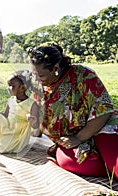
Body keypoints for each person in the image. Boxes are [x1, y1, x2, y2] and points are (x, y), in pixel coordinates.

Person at [28, 44, 118, 179]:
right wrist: (36, 124)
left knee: (114, 161)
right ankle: (108, 167)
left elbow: (104, 109)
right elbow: (40, 129)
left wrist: (79, 138)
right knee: (67, 161)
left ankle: (111, 166)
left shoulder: (83, 74)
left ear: (55, 68)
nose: (36, 80)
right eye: (33, 74)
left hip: (102, 127)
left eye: (40, 75)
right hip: (74, 140)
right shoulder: (39, 89)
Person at [0, 70, 40, 153]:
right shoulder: (10, 100)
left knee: (6, 146)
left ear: (23, 88)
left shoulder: (32, 104)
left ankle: (8, 144)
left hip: (19, 133)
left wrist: (33, 121)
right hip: (9, 127)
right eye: (8, 86)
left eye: (12, 86)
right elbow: (5, 115)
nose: (9, 88)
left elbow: (36, 126)